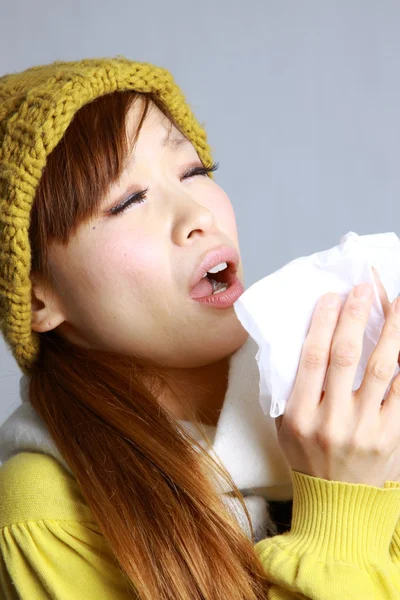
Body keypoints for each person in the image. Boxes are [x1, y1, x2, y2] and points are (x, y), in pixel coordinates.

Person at [0, 57, 400, 600]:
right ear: (36, 298)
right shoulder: (44, 514)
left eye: (193, 172)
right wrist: (341, 507)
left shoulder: (356, 418)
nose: (196, 215)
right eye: (128, 201)